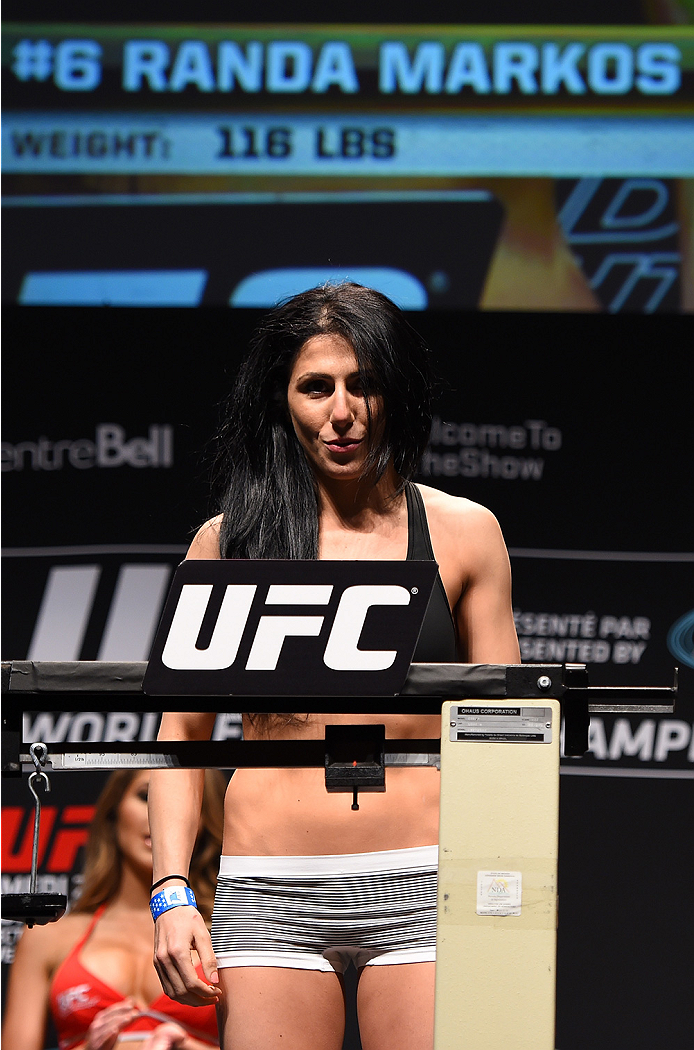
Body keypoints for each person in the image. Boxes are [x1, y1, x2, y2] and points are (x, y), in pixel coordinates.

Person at [148, 283, 520, 1050]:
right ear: (282, 400)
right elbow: (181, 738)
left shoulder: (464, 534)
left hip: (427, 879)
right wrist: (170, 894)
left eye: (364, 384)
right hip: (268, 887)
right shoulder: (228, 544)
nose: (341, 411)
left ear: (395, 395)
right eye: (316, 387)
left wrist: (504, 900)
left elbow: (507, 743)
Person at [2, 769, 226, 1050]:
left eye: (183, 805)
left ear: (203, 822)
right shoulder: (46, 938)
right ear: (114, 810)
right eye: (146, 797)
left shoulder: (227, 935)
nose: (161, 818)